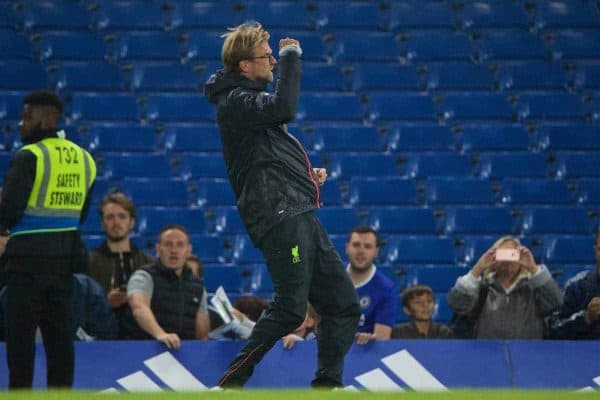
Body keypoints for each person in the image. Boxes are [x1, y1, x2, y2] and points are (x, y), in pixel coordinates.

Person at [204, 22, 360, 388]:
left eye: (276, 54)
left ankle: (328, 386)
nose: (273, 60)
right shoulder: (236, 102)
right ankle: (228, 383)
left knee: (343, 304)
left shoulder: (246, 105)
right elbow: (284, 106)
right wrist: (292, 57)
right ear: (245, 65)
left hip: (298, 211)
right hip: (279, 217)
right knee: (291, 309)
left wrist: (307, 178)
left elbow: (266, 161)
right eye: (267, 56)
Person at [0, 91, 96, 388]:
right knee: (60, 347)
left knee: (21, 348)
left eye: (27, 116)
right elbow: (80, 215)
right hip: (64, 264)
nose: (21, 123)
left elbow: (8, 215)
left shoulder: (30, 156)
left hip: (24, 267)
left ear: (46, 118)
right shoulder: (85, 158)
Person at [447, 236, 563, 339]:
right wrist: (477, 269)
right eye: (503, 254)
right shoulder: (482, 288)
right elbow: (456, 304)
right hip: (486, 355)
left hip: (529, 355)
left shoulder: (534, 287)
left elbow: (556, 303)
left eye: (513, 254)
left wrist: (533, 268)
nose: (508, 260)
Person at [123, 224, 209, 348]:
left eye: (180, 245)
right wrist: (161, 335)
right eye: (168, 244)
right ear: (158, 249)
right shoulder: (144, 277)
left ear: (189, 250)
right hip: (144, 352)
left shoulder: (198, 287)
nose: (174, 250)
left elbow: (202, 335)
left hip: (183, 355)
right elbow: (139, 308)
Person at [87, 192, 153, 337]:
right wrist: (106, 303)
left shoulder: (149, 264)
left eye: (122, 216)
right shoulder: (88, 262)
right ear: (102, 222)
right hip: (100, 337)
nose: (116, 222)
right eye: (110, 217)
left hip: (142, 337)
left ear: (132, 222)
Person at [345, 226, 396, 344]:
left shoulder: (386, 289)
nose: (361, 251)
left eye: (367, 247)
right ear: (347, 248)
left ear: (376, 252)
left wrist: (372, 339)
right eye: (356, 245)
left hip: (363, 353)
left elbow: (382, 338)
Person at [549, 231, 600, 339]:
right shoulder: (577, 286)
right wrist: (586, 317)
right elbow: (554, 331)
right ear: (595, 250)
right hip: (584, 354)